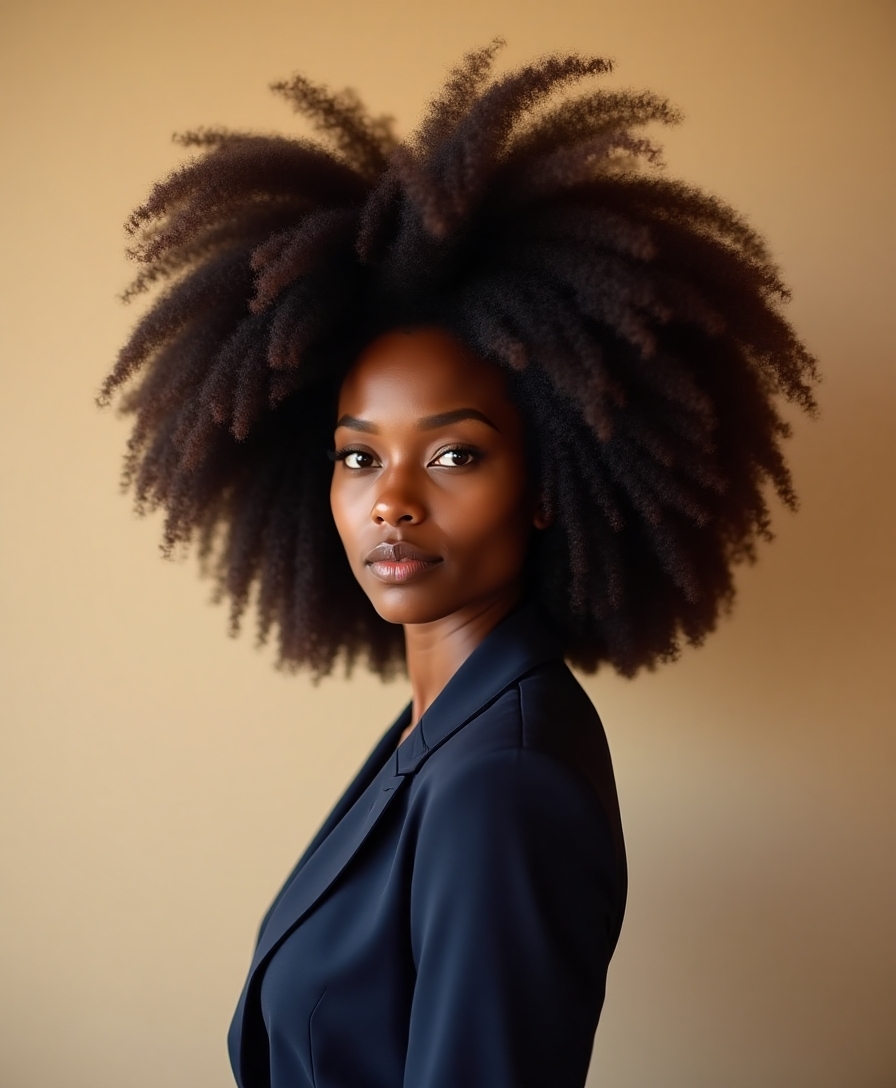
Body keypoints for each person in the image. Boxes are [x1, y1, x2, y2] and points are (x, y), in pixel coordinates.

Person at [100, 41, 817, 1088]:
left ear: (546, 481)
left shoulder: (502, 778)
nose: (390, 497)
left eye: (453, 453)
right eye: (357, 455)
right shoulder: (449, 727)